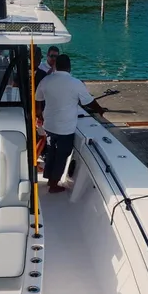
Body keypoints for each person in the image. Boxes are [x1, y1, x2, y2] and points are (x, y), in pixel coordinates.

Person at [36, 54, 106, 193]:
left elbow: (38, 98)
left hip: (49, 125)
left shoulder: (46, 80)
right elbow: (88, 101)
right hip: (65, 128)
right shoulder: (75, 83)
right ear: (69, 67)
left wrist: (39, 114)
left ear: (55, 65)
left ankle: (50, 178)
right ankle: (54, 185)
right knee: (62, 154)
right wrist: (100, 110)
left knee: (51, 152)